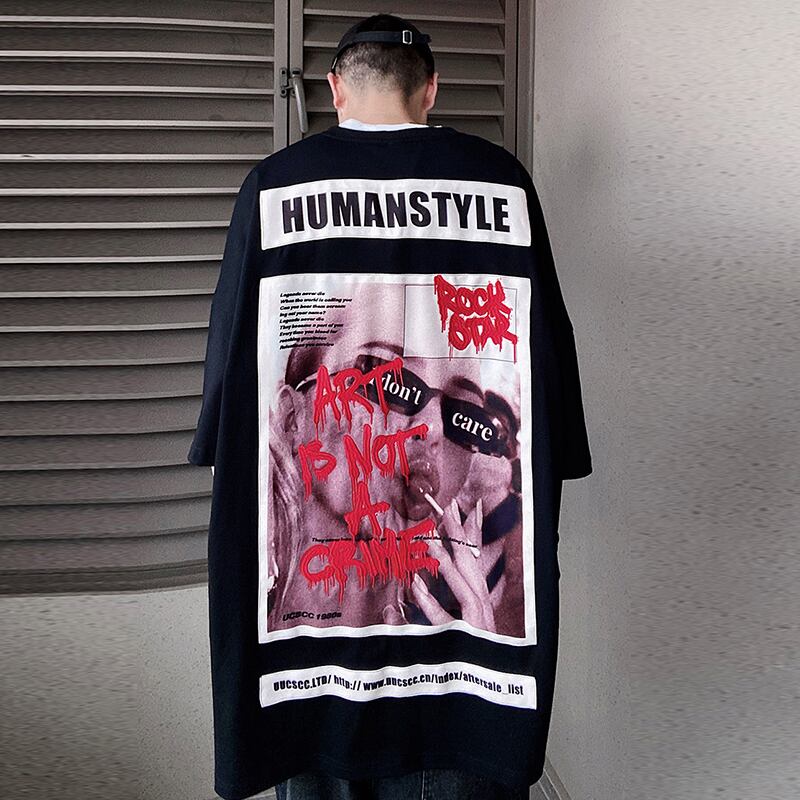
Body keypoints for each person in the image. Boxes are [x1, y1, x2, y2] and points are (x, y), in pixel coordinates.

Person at [188, 12, 591, 800]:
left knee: (320, 755)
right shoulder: (502, 182)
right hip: (465, 674)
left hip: (317, 674)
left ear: (335, 88)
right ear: (431, 89)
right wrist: (560, 452)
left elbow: (233, 351)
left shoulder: (275, 187)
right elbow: (548, 345)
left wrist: (220, 445)